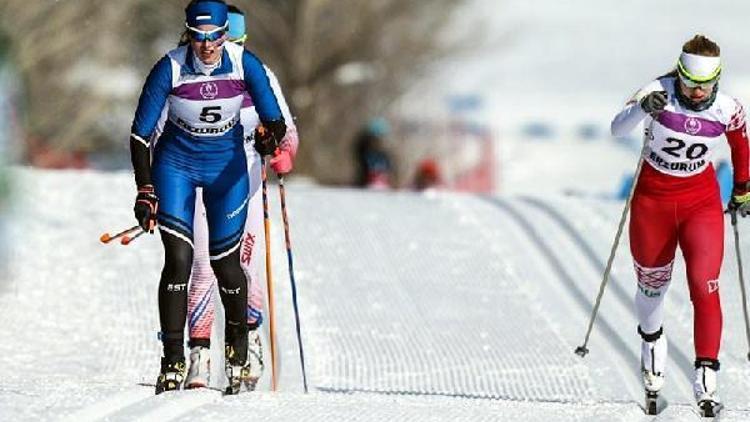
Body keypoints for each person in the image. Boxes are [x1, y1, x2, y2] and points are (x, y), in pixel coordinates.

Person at [129, 0, 286, 394]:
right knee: (180, 259)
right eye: (199, 38)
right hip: (176, 165)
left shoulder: (245, 62)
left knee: (226, 264)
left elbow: (275, 120)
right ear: (188, 34)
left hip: (226, 169)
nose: (207, 46)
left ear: (225, 35)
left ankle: (237, 354)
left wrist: (271, 136)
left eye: (215, 37)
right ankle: (173, 360)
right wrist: (145, 189)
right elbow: (139, 134)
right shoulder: (169, 67)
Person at [611, 34, 750, 414]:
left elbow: (741, 145)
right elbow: (617, 130)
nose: (696, 92)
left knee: (705, 285)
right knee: (652, 287)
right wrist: (642, 108)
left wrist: (742, 189)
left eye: (704, 85)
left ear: (716, 79)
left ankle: (706, 373)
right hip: (652, 202)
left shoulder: (727, 108)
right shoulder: (658, 89)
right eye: (688, 82)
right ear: (679, 73)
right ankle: (652, 340)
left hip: (700, 203)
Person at [182, 4, 298, 390]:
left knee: (241, 266)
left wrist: (283, 151)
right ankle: (199, 354)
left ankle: (248, 342)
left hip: (242, 188)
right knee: (201, 264)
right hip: (198, 185)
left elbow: (287, 132)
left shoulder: (259, 74)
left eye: (235, 42)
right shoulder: (183, 73)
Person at [354, 118, 393, 189]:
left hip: (381, 185)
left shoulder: (384, 156)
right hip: (367, 184)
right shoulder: (365, 153)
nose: (378, 141)